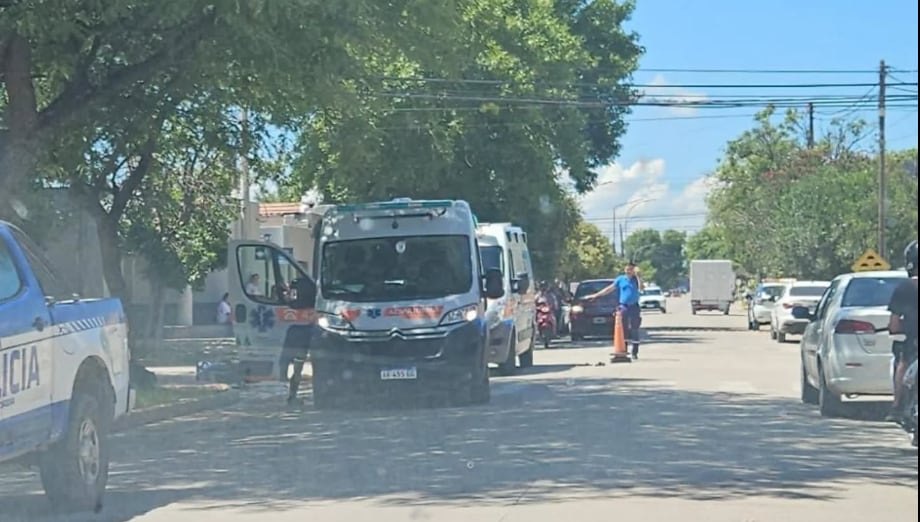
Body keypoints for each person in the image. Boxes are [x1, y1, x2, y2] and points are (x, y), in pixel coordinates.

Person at [886, 239, 919, 423]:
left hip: (913, 340)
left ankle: (897, 406)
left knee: (903, 363)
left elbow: (894, 323)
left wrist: (896, 330)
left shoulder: (905, 287)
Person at [584, 262, 645, 359]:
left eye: (631, 270)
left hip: (634, 306)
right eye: (627, 269)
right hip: (623, 306)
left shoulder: (636, 280)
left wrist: (638, 275)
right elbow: (609, 289)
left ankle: (635, 351)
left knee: (634, 329)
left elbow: (641, 288)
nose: (628, 271)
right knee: (622, 328)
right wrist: (596, 295)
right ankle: (623, 349)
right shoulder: (621, 279)